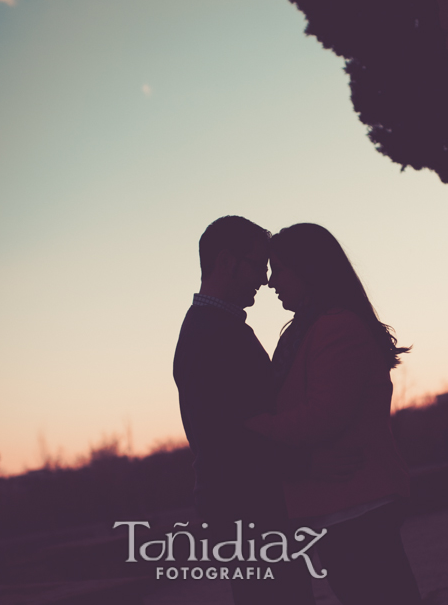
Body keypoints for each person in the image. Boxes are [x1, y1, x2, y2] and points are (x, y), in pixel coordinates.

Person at [246, 223, 422, 605]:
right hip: (338, 505)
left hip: (358, 503)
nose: (272, 283)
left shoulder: (336, 327)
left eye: (279, 269)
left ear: (308, 269)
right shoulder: (305, 330)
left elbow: (324, 416)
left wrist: (254, 427)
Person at [173, 215, 315, 605]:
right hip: (251, 510)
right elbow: (238, 433)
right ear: (225, 263)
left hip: (244, 508)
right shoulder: (213, 334)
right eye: (258, 265)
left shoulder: (210, 328)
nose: (265, 279)